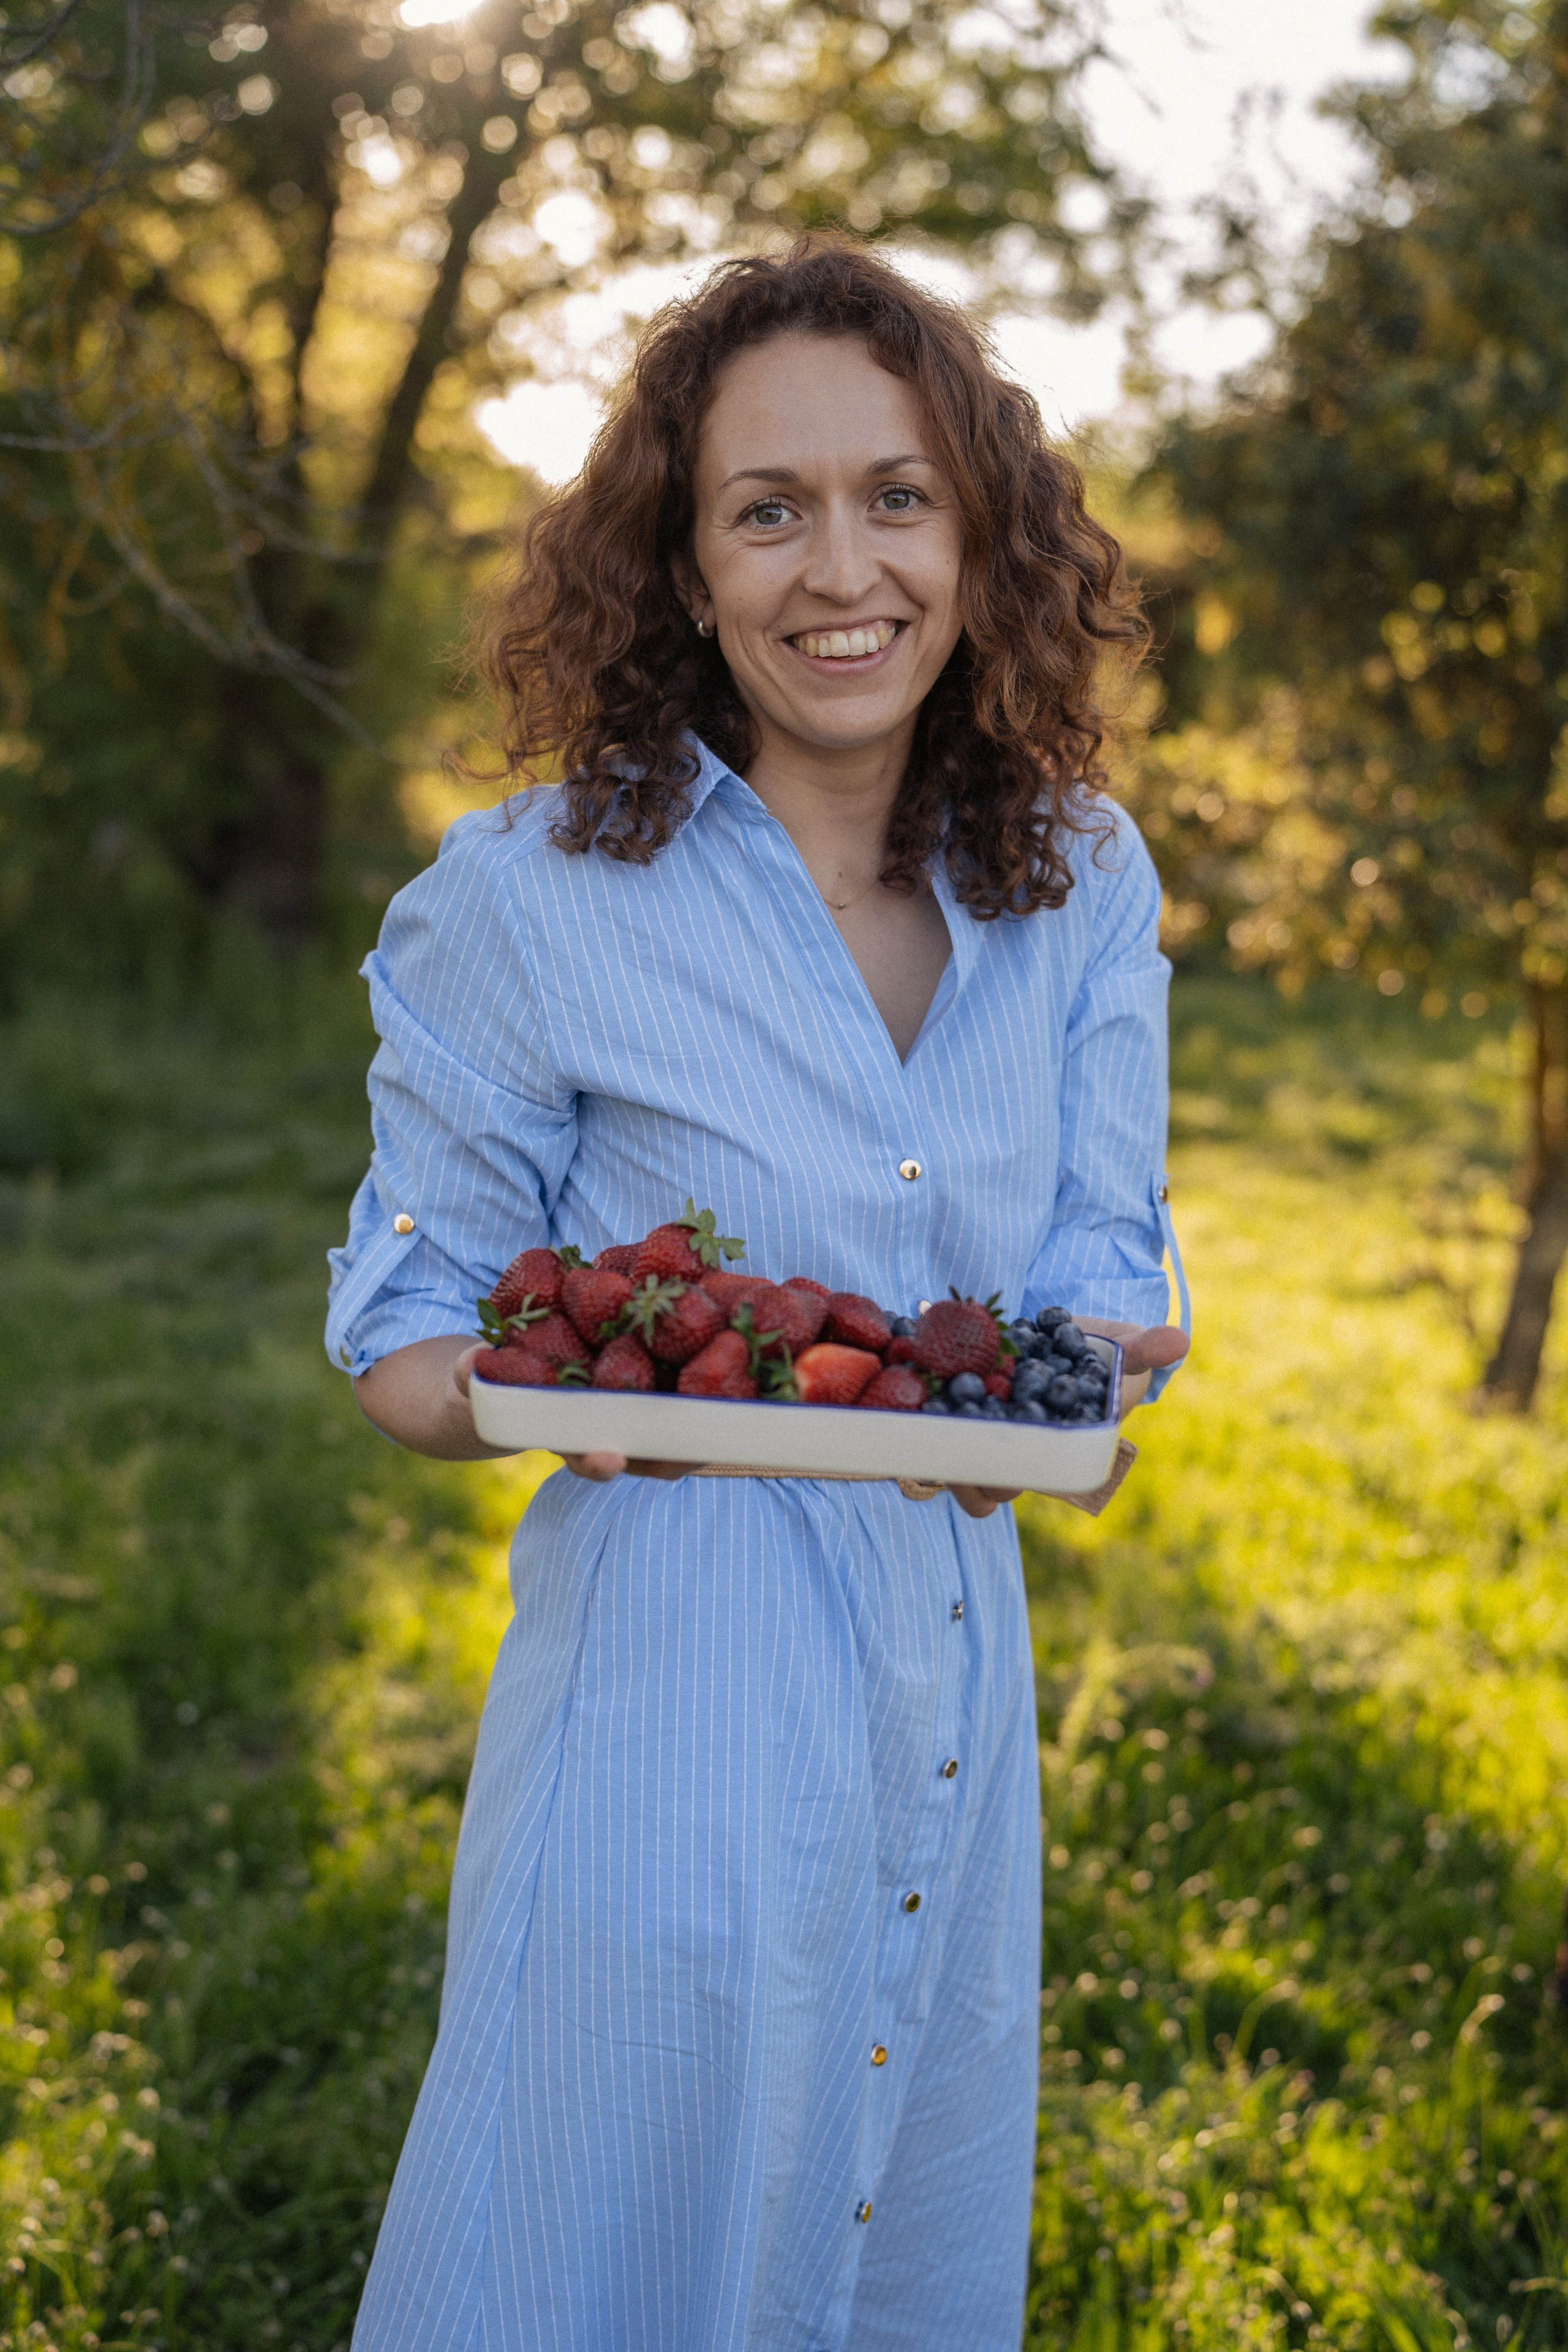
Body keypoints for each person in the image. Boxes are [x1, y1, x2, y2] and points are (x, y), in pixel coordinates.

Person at [326, 234, 1188, 2352]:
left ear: (979, 537)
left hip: (951, 1707)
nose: (841, 568)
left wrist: (1097, 1365)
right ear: (684, 566)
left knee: (891, 2246)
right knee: (597, 2254)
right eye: (767, 508)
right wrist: (533, 1393)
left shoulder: (1080, 879)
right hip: (667, 1723)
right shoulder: (526, 900)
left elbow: (1102, 1259)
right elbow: (408, 1324)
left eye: (897, 495)